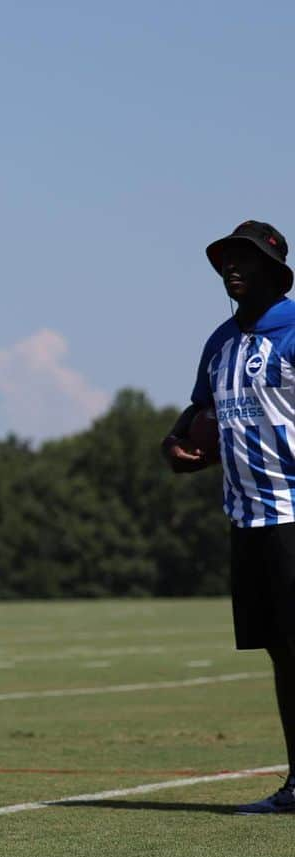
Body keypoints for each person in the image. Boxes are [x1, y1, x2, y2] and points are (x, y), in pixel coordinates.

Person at [163, 220, 295, 815]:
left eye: (244, 259)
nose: (231, 269)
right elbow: (196, 414)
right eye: (224, 260)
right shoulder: (220, 340)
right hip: (246, 518)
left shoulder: (293, 329)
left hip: (293, 512)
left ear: (275, 269)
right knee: (282, 652)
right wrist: (177, 447)